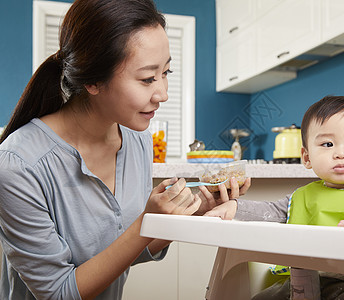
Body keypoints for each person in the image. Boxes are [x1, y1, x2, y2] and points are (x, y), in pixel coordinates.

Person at [0, 0, 248, 299]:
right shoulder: (18, 164)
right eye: (147, 78)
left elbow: (123, 252)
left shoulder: (136, 139)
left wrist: (190, 215)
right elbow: (58, 293)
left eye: (166, 72)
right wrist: (146, 223)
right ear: (93, 80)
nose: (164, 94)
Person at [205, 95, 344, 300]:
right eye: (328, 144)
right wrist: (235, 207)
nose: (341, 153)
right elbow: (269, 211)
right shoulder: (301, 197)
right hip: (302, 281)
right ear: (306, 157)